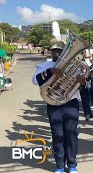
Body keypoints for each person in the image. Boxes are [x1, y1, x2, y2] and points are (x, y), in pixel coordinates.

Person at [32, 40, 85, 173]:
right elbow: (34, 80)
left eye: (60, 50)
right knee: (58, 134)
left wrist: (82, 82)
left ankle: (72, 164)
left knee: (71, 134)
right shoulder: (45, 65)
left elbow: (83, 85)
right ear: (51, 52)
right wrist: (51, 71)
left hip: (70, 102)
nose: (57, 53)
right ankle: (60, 165)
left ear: (65, 52)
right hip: (53, 102)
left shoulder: (75, 65)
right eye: (54, 50)